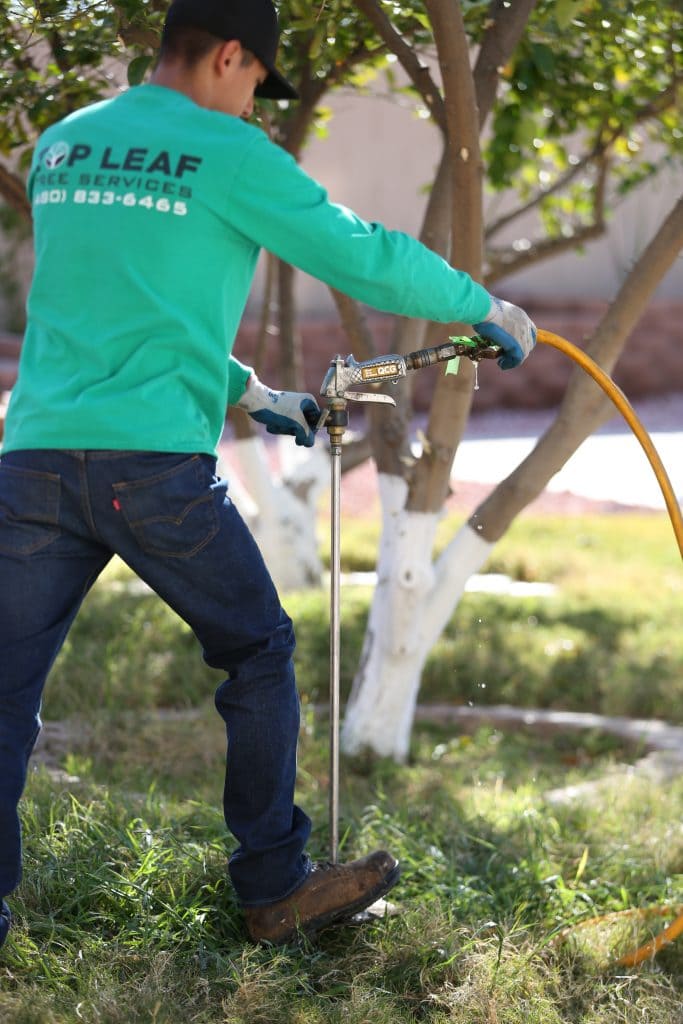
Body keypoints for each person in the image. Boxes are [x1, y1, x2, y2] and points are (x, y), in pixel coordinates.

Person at [0, 0, 536, 950]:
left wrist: (252, 395)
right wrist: (479, 305)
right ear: (230, 56)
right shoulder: (225, 152)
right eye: (253, 82)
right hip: (151, 472)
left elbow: (120, 304)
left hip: (33, 457)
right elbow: (357, 252)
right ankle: (272, 884)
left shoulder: (65, 145)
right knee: (255, 652)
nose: (252, 102)